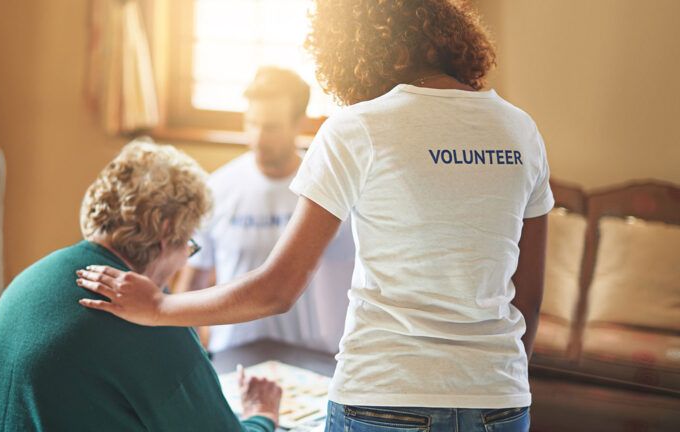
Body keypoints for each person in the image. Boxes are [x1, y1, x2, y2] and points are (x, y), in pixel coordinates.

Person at [76, 1, 552, 431]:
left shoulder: (358, 128)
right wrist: (496, 381)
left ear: (361, 48)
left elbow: (278, 289)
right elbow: (528, 298)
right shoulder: (521, 130)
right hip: (501, 401)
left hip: (385, 396)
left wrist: (158, 307)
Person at [0, 140, 282, 432]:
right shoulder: (149, 320)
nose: (186, 260)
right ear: (166, 234)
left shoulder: (32, 278)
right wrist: (262, 415)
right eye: (190, 246)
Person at [174, 67, 355, 354]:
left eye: (270, 127)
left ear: (298, 124)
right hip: (232, 354)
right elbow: (191, 284)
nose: (258, 138)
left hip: (315, 356)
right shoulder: (217, 189)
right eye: (251, 123)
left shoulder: (332, 187)